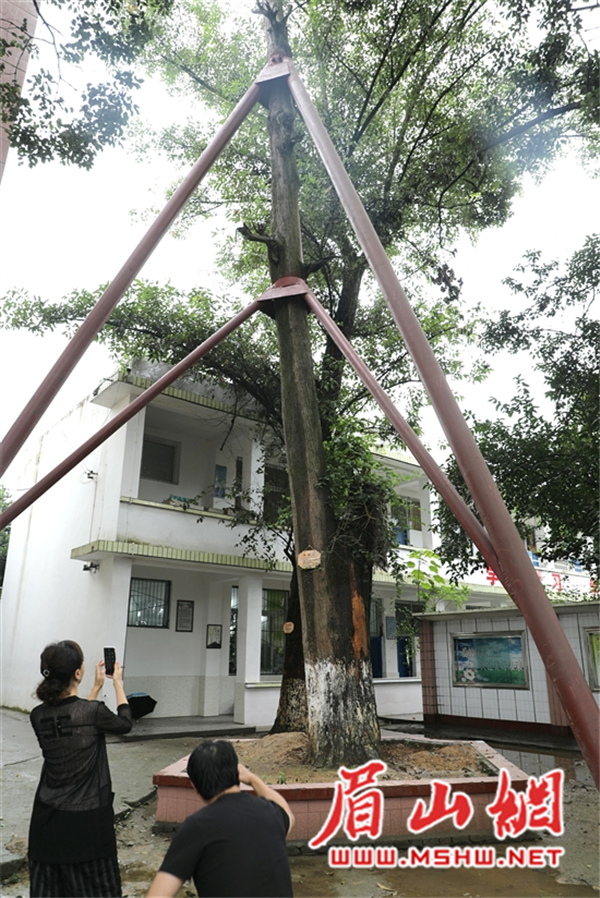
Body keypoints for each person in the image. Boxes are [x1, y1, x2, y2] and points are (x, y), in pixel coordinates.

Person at [28, 640, 132, 898]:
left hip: (45, 826)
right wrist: (116, 682)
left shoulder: (37, 715)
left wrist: (95, 688)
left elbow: (72, 721)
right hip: (87, 828)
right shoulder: (93, 712)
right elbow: (125, 724)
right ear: (77, 673)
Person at [147, 739, 295, 898]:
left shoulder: (198, 826)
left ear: (195, 788)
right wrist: (252, 779)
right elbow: (288, 813)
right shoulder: (269, 812)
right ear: (237, 774)